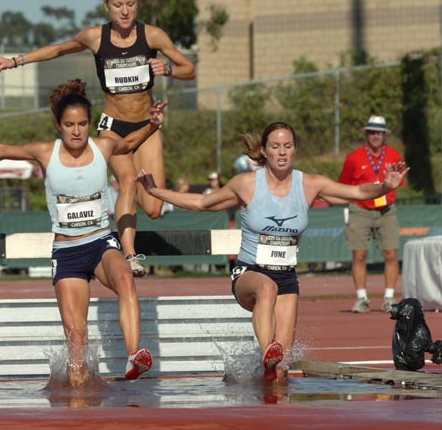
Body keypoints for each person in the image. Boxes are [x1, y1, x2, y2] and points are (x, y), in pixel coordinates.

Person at [0, 79, 166, 386]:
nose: (77, 131)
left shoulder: (103, 146)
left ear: (89, 124)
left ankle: (134, 354)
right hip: (68, 252)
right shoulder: (45, 152)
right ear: (58, 125)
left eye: (82, 124)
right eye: (69, 125)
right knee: (77, 341)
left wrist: (152, 125)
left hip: (100, 242)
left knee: (125, 279)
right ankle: (75, 399)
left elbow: (130, 143)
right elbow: (0, 151)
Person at [136, 122, 408, 381]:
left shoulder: (310, 184)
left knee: (280, 372)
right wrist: (156, 191)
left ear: (295, 149)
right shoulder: (246, 183)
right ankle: (268, 351)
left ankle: (269, 389)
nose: (282, 152)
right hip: (250, 274)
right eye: (276, 146)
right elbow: (202, 202)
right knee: (267, 291)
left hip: (286, 277)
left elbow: (358, 191)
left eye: (288, 146)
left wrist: (385, 186)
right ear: (264, 151)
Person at [0, 0, 195, 278]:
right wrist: (17, 60)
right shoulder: (95, 37)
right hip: (113, 128)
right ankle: (129, 254)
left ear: (137, 4)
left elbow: (190, 69)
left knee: (155, 208)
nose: (125, 11)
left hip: (148, 126)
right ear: (107, 6)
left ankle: (121, 216)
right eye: (118, 5)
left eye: (130, 4)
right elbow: (58, 50)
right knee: (127, 180)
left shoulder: (153, 36)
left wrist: (167, 68)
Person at [338, 115, 404, 314]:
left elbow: (398, 181)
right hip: (361, 209)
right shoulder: (353, 157)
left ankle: (389, 298)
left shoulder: (394, 155)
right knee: (359, 254)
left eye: (379, 132)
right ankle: (361, 299)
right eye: (372, 132)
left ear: (385, 135)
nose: (376, 136)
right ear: (366, 133)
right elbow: (344, 183)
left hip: (386, 210)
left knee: (390, 253)